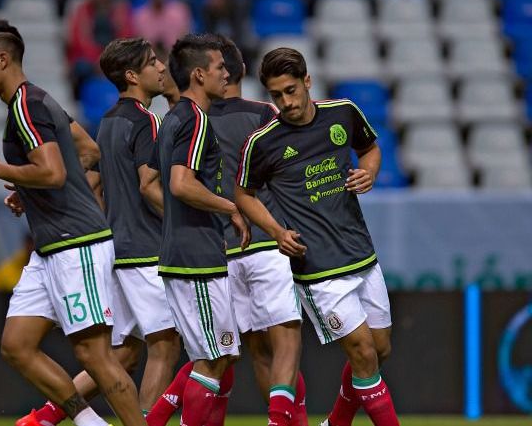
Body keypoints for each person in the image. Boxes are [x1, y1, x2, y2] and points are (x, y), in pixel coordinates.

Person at [0, 19, 146, 426]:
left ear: (3, 59)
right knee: (17, 345)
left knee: (94, 355)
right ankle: (88, 422)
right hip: (51, 248)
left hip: (75, 244)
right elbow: (88, 151)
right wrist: (30, 192)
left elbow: (54, 172)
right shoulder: (40, 102)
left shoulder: (26, 108)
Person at [17, 36, 181, 426]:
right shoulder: (147, 121)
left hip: (115, 251)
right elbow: (147, 185)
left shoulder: (107, 122)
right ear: (132, 75)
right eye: (153, 62)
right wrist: (190, 225)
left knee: (122, 355)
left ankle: (44, 418)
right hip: (145, 251)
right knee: (165, 344)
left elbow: (94, 180)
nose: (162, 68)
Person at [235, 47, 399, 426]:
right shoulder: (263, 142)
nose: (286, 102)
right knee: (362, 353)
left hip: (361, 254)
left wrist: (369, 172)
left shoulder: (343, 112)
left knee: (379, 349)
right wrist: (275, 231)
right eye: (276, 95)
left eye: (291, 90)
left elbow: (369, 150)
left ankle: (336, 422)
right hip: (318, 268)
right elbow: (243, 193)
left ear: (308, 81)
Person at [208, 35, 307, 426]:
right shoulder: (266, 115)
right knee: (286, 344)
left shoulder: (195, 122)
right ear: (242, 72)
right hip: (268, 242)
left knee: (257, 352)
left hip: (224, 252)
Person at [152, 33, 249, 426]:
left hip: (185, 253)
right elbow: (180, 183)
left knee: (217, 357)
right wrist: (232, 208)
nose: (226, 74)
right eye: (219, 68)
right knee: (211, 362)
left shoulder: (172, 118)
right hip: (196, 257)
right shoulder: (194, 119)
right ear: (198, 74)